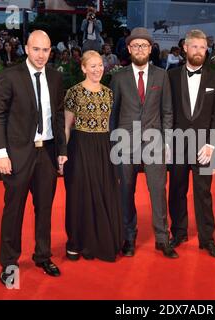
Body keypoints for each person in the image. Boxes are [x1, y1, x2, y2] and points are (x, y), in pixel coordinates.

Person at [0, 30, 67, 286]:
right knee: (14, 211)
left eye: (46, 50)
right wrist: (1, 153)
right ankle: (9, 264)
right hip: (17, 155)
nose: (41, 55)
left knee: (44, 209)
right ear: (26, 48)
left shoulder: (56, 78)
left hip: (46, 153)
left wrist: (62, 151)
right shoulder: (10, 76)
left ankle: (43, 255)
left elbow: (57, 116)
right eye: (36, 49)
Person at [110, 27, 177, 259]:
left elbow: (167, 111)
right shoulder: (118, 78)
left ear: (151, 49)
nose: (140, 49)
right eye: (136, 45)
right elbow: (113, 113)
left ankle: (162, 238)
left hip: (155, 142)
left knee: (158, 191)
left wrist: (167, 142)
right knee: (126, 192)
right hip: (124, 142)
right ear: (129, 49)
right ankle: (129, 237)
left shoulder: (162, 75)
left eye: (144, 45)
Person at [168, 29, 215, 258]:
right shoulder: (170, 77)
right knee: (176, 190)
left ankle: (207, 239)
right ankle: (179, 232)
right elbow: (167, 113)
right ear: (185, 48)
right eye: (194, 47)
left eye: (203, 47)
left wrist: (211, 145)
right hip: (178, 144)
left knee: (203, 192)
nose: (199, 51)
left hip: (205, 147)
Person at [63, 50, 122, 262]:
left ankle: (101, 240)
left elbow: (112, 125)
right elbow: (66, 127)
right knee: (80, 195)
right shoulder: (74, 92)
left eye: (100, 65)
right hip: (80, 147)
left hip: (104, 147)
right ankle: (76, 243)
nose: (98, 69)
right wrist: (63, 154)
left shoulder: (109, 92)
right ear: (83, 68)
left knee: (105, 192)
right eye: (93, 66)